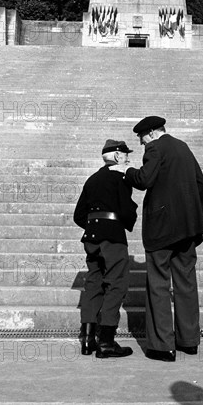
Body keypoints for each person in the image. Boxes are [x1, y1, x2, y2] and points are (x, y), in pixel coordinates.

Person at [111, 116, 203, 362]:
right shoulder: (183, 147)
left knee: (158, 284)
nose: (142, 144)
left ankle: (162, 346)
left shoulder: (156, 147)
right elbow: (202, 186)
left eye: (142, 138)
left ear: (153, 133)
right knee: (186, 283)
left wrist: (126, 171)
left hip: (162, 230)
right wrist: (194, 218)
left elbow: (145, 179)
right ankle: (189, 341)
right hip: (187, 229)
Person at [73, 139, 138, 358]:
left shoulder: (92, 179)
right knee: (116, 284)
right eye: (126, 155)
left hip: (91, 237)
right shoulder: (120, 176)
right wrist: (124, 221)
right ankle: (107, 343)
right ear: (118, 156)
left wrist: (95, 225)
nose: (128, 159)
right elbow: (127, 209)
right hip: (112, 237)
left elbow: (78, 215)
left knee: (93, 284)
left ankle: (88, 340)